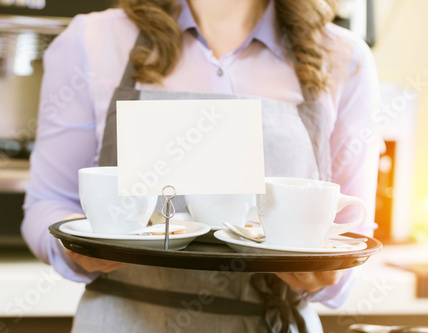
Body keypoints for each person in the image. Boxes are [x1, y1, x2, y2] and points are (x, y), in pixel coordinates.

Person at [22, 0, 380, 331]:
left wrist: (330, 275)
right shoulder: (91, 40)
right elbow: (47, 204)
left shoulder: (345, 58)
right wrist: (78, 250)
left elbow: (352, 233)